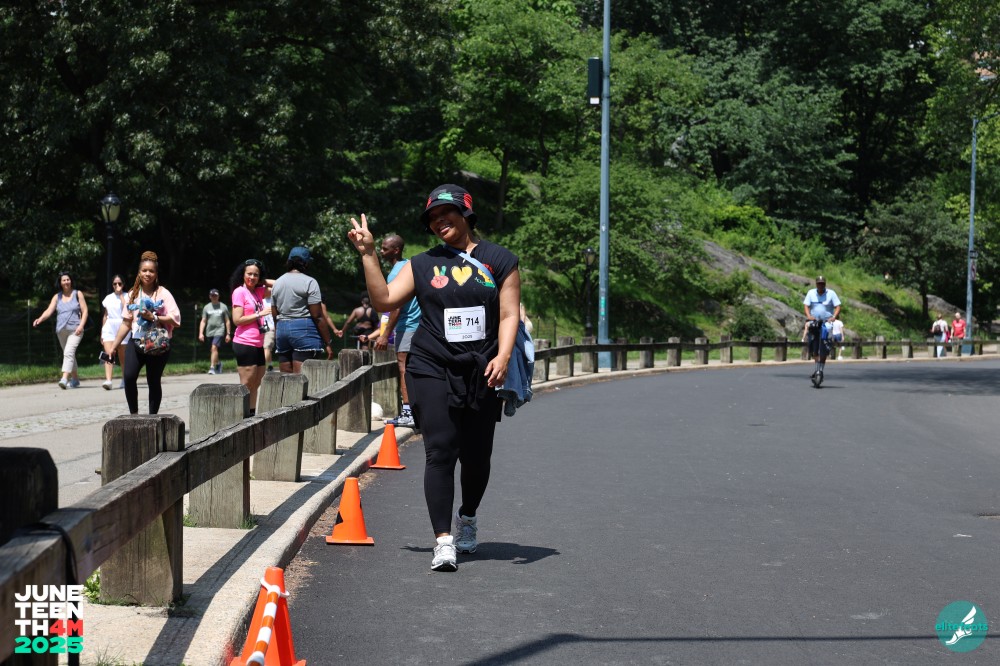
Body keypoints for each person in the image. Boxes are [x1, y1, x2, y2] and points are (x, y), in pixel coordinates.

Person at [347, 183, 521, 572]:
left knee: (476, 456)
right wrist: (369, 254)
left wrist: (504, 355)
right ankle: (443, 540)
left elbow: (510, 313)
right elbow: (384, 300)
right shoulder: (421, 264)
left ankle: (468, 517)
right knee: (440, 449)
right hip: (430, 364)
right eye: (433, 218)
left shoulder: (499, 259)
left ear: (466, 214)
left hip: (481, 367)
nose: (440, 221)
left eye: (447, 213)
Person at [110, 251, 181, 414]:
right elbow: (126, 323)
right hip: (136, 341)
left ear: (156, 274)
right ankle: (134, 415)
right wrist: (113, 346)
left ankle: (152, 418)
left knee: (153, 381)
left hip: (157, 343)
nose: (147, 274)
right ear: (139, 273)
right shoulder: (132, 294)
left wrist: (155, 317)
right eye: (144, 270)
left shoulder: (163, 293)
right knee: (128, 377)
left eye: (151, 271)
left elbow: (176, 319)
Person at [374, 234, 421, 428]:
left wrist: (385, 335)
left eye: (384, 248)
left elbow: (396, 307)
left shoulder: (395, 274)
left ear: (396, 250)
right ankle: (418, 411)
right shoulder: (410, 266)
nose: (381, 251)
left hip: (407, 326)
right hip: (420, 325)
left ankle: (408, 412)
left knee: (403, 368)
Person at [271, 246, 333, 373]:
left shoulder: (277, 282)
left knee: (286, 377)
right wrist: (328, 342)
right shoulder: (310, 282)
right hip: (304, 329)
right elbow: (317, 315)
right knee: (302, 377)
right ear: (305, 263)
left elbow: (274, 314)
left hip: (282, 329)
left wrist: (278, 335)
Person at [230, 259, 273, 415]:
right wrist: (259, 314)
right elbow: (237, 320)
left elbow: (280, 285)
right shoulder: (239, 292)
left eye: (256, 275)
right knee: (247, 384)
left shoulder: (258, 291)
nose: (252, 277)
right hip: (244, 342)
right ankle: (241, 416)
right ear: (242, 274)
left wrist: (262, 281)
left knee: (257, 382)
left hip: (258, 343)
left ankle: (251, 414)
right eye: (249, 274)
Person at [32, 271, 89, 389]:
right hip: (61, 331)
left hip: (76, 330)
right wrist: (40, 319)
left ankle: (64, 378)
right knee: (69, 354)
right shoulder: (57, 297)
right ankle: (75, 379)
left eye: (68, 279)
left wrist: (81, 326)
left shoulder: (77, 294)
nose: (66, 282)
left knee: (68, 352)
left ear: (71, 281)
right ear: (60, 282)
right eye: (64, 280)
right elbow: (49, 311)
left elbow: (85, 311)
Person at [802, 275, 841, 386]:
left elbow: (838, 306)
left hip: (826, 323)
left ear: (825, 284)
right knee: (814, 347)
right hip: (814, 323)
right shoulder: (811, 293)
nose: (821, 285)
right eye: (819, 283)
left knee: (824, 347)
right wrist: (809, 316)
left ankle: (821, 370)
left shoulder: (831, 293)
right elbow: (806, 305)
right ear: (816, 284)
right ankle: (816, 369)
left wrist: (834, 316)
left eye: (822, 283)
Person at [100, 274, 129, 390]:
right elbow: (105, 315)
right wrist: (102, 332)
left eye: (119, 283)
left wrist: (121, 294)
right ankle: (108, 380)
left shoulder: (127, 296)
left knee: (123, 355)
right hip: (109, 326)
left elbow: (127, 309)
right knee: (109, 353)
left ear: (123, 284)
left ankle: (125, 379)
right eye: (115, 284)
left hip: (122, 325)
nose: (117, 285)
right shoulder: (108, 298)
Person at [199, 288, 232, 375]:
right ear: (210, 296)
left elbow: (227, 321)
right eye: (212, 295)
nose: (214, 297)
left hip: (219, 330)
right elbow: (203, 321)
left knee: (214, 347)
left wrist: (228, 334)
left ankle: (212, 367)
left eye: (215, 295)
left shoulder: (223, 307)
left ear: (218, 296)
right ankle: (218, 363)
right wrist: (201, 333)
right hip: (209, 331)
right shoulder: (206, 307)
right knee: (213, 350)